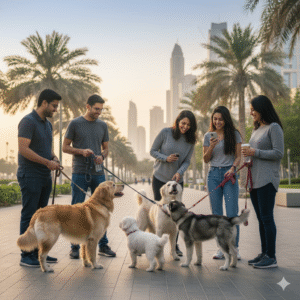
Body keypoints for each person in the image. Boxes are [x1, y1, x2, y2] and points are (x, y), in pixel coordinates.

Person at [63, 94, 116, 259]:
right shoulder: (75, 123)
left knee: (103, 208)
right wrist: (81, 151)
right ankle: (74, 247)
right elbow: (65, 147)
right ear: (87, 106)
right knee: (76, 209)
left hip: (98, 173)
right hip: (79, 172)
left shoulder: (103, 125)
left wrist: (102, 155)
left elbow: (106, 148)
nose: (98, 112)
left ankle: (103, 244)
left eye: (101, 109)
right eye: (96, 109)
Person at [18, 89, 62, 267]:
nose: (55, 110)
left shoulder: (48, 125)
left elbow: (46, 148)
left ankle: (39, 252)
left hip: (45, 175)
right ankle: (26, 255)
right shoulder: (28, 122)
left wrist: (54, 158)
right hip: (30, 175)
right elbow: (23, 149)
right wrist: (46, 162)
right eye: (54, 106)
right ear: (44, 103)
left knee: (42, 217)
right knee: (29, 215)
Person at [242, 95, 284, 269]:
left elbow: (278, 153)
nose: (251, 112)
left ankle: (271, 257)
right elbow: (254, 153)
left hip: (267, 180)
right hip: (254, 180)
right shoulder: (257, 129)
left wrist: (255, 153)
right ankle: (264, 253)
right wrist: (248, 157)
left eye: (253, 109)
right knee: (261, 219)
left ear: (262, 109)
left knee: (267, 218)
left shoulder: (274, 128)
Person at [150, 110, 197, 256]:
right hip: (160, 179)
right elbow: (152, 151)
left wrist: (179, 173)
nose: (185, 127)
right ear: (177, 122)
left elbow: (187, 161)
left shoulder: (191, 140)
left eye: (188, 125)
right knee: (160, 213)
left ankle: (173, 246)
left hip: (177, 181)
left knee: (176, 215)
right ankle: (155, 243)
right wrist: (165, 158)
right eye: (183, 123)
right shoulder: (165, 132)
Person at [203, 106, 242, 260]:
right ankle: (220, 248)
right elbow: (206, 159)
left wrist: (233, 168)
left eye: (220, 119)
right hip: (213, 175)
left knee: (232, 214)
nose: (217, 122)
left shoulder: (235, 134)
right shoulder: (208, 136)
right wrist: (212, 146)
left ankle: (234, 249)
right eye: (215, 119)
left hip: (229, 175)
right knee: (217, 216)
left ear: (226, 119)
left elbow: (239, 157)